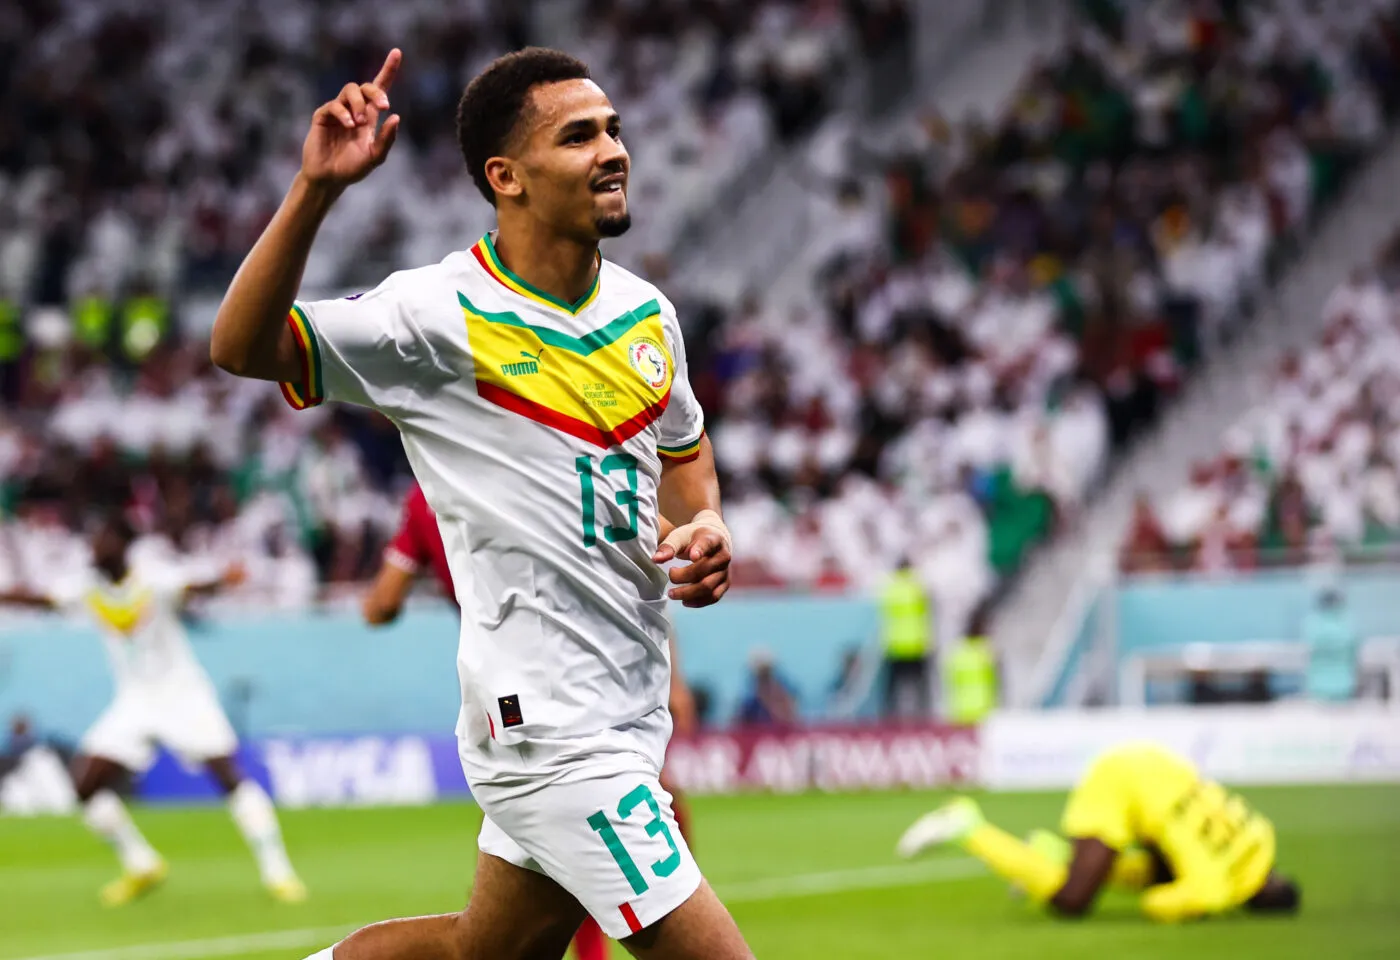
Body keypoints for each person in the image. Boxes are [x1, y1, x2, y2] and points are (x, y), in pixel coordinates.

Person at [211, 47, 749, 960]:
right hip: (550, 728)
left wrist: (705, 525)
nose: (613, 150)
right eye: (578, 137)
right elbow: (240, 345)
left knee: (477, 955)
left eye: (613, 129)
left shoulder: (648, 315)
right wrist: (314, 191)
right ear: (507, 177)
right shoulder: (434, 314)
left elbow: (685, 455)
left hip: (627, 710)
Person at [363, 484, 699, 960]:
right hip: (569, 682)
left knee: (486, 938)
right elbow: (638, 570)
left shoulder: (426, 495)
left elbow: (381, 605)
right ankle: (597, 949)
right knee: (603, 805)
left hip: (510, 686)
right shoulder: (531, 464)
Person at [0, 514, 305, 906]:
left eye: (103, 539)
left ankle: (279, 872)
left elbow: (192, 586)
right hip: (135, 702)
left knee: (228, 777)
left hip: (183, 695)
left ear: (121, 545)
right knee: (85, 785)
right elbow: (41, 599)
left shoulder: (152, 580)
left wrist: (224, 579)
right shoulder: (88, 587)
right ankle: (141, 863)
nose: (95, 547)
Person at [896, 741, 1301, 922]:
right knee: (1073, 900)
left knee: (1163, 869)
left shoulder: (1261, 835)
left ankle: (1050, 853)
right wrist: (1203, 907)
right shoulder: (1218, 888)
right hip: (1121, 786)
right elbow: (1157, 906)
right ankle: (967, 826)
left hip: (1155, 767)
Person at [878, 557, 934, 719]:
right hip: (916, 643)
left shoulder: (890, 589)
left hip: (895, 644)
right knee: (920, 687)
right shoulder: (919, 588)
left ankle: (890, 718)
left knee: (892, 689)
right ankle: (924, 717)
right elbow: (928, 612)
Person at [1302, 588, 1361, 702]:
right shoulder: (1348, 625)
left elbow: (1307, 653)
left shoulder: (1312, 625)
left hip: (1317, 688)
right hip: (1345, 687)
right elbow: (1355, 655)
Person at [942, 605, 997, 725]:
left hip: (960, 712)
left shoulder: (957, 653)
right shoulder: (986, 652)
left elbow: (948, 682)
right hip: (983, 712)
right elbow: (995, 683)